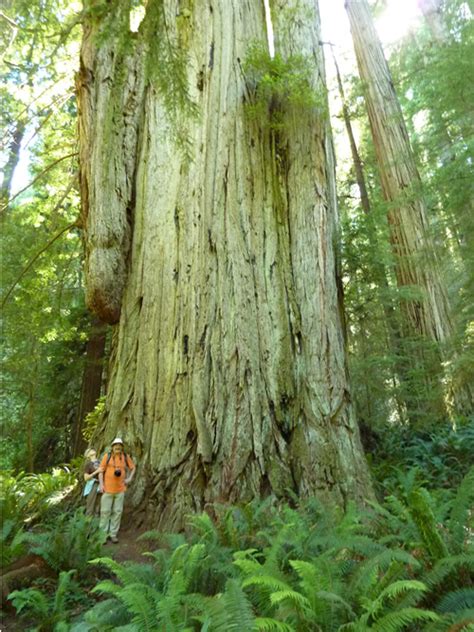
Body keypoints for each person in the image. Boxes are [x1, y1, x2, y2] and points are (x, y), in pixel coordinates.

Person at [98, 437, 135, 543]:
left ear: (122, 448)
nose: (117, 447)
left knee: (117, 512)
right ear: (112, 447)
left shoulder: (125, 457)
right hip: (107, 489)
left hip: (120, 490)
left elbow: (133, 468)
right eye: (115, 445)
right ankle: (103, 535)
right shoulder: (107, 456)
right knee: (105, 512)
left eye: (119, 445)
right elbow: (101, 471)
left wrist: (130, 478)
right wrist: (101, 485)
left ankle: (113, 534)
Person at [83, 448, 102, 516]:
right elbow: (86, 478)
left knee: (98, 504)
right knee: (91, 504)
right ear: (87, 455)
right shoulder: (88, 464)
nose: (92, 450)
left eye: (93, 449)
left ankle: (96, 522)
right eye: (89, 451)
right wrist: (96, 472)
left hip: (101, 484)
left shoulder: (100, 462)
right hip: (93, 484)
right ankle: (88, 522)